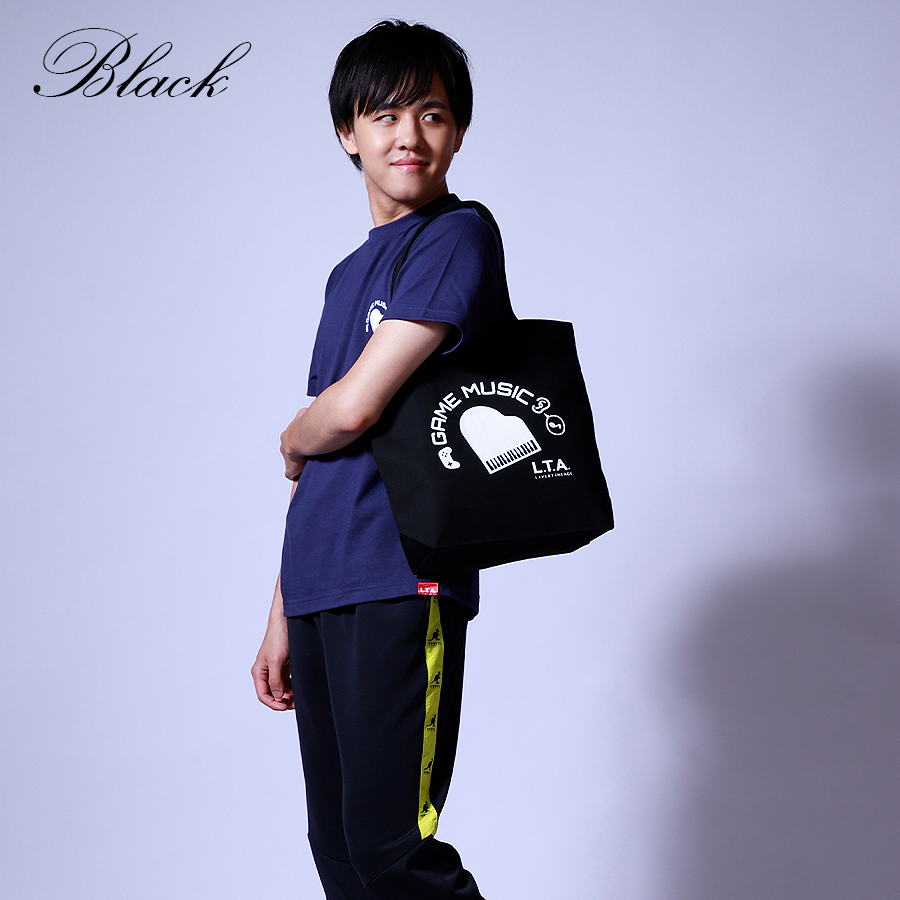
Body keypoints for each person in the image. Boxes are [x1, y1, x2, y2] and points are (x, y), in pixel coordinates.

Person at [251, 20, 501, 900]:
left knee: (393, 849)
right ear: (346, 133)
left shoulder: (456, 236)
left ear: (458, 132)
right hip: (323, 578)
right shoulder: (344, 276)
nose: (409, 136)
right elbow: (318, 469)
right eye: (385, 115)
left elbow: (347, 412)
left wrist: (293, 433)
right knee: (340, 850)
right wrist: (283, 613)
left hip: (403, 572)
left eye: (431, 114)